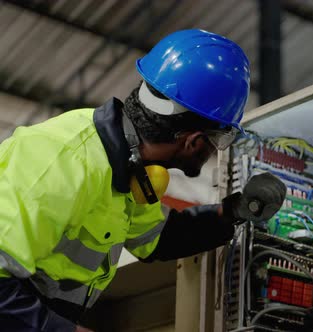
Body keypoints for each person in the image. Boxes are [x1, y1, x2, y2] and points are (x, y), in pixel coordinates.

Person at [0, 29, 286, 331]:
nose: (215, 151)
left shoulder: (129, 168)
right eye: (219, 141)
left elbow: (157, 240)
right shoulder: (63, 160)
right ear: (194, 141)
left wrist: (232, 212)